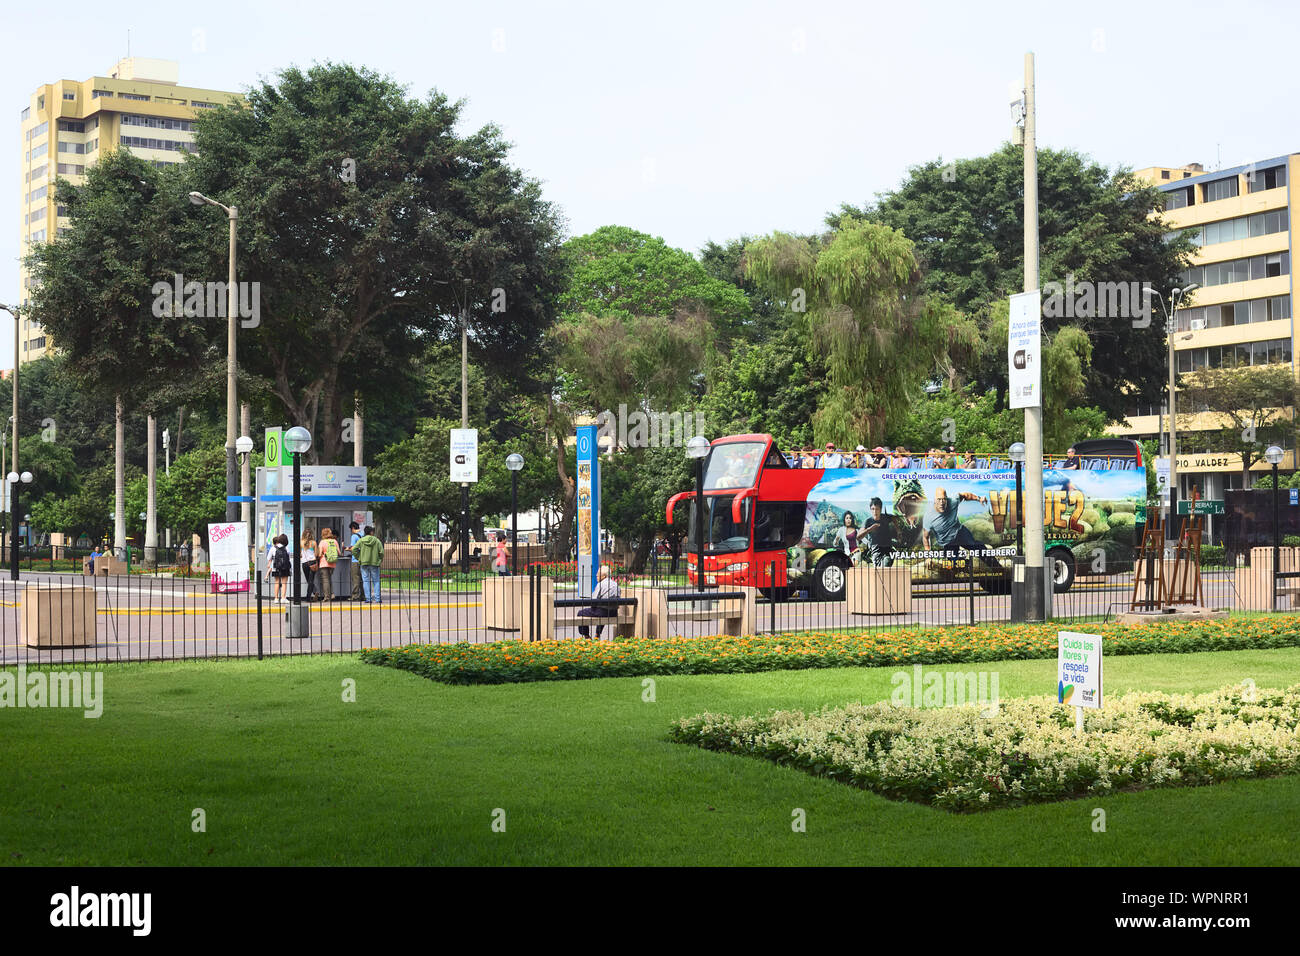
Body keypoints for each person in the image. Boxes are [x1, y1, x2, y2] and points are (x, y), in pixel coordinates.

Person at [921, 486, 1003, 572]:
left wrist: (979, 498)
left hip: (960, 532)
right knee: (956, 566)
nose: (941, 503)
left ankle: (999, 569)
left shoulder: (953, 501)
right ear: (934, 500)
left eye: (943, 499)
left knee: (979, 548)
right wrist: (928, 557)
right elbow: (925, 538)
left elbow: (966, 495)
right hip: (947, 542)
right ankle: (964, 562)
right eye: (938, 499)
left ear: (947, 498)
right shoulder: (929, 517)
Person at [578, 565, 620, 639]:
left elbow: (593, 600)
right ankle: (597, 634)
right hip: (613, 612)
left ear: (603, 576)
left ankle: (586, 636)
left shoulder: (601, 584)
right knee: (601, 611)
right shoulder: (615, 584)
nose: (596, 575)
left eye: (598, 574)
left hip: (603, 612)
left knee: (581, 613)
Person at [356, 525, 385, 603]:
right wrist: (379, 560)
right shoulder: (376, 540)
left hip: (364, 563)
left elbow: (354, 549)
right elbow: (382, 552)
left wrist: (359, 557)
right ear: (371, 532)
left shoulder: (361, 540)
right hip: (374, 563)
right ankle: (377, 599)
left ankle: (368, 599)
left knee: (365, 581)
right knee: (376, 581)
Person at [862, 497, 894, 567]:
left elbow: (894, 518)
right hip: (876, 551)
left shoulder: (886, 517)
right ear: (870, 509)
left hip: (888, 549)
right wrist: (869, 529)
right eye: (873, 509)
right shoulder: (868, 521)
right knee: (880, 570)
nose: (875, 512)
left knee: (887, 562)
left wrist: (899, 531)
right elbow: (859, 536)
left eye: (877, 509)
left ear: (880, 509)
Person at [267, 533, 292, 602]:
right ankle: (283, 598)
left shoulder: (273, 548)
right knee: (284, 582)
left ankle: (276, 598)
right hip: (285, 567)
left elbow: (268, 558)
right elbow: (288, 558)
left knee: (277, 581)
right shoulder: (287, 548)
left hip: (276, 567)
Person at [317, 527, 339, 600]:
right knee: (329, 579)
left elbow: (319, 554)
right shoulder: (334, 541)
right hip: (332, 563)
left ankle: (327, 597)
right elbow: (339, 553)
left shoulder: (322, 542)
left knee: (325, 580)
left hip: (324, 563)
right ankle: (332, 594)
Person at [347, 521, 364, 600]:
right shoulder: (363, 534)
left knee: (355, 578)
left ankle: (355, 596)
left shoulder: (354, 536)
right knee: (362, 578)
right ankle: (363, 595)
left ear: (353, 528)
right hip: (363, 559)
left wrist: (347, 549)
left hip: (355, 560)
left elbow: (353, 549)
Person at [299, 530, 318, 601]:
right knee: (311, 580)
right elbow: (316, 554)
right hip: (312, 562)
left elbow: (300, 554)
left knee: (308, 580)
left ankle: (313, 593)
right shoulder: (314, 543)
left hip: (304, 563)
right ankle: (310, 596)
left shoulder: (301, 542)